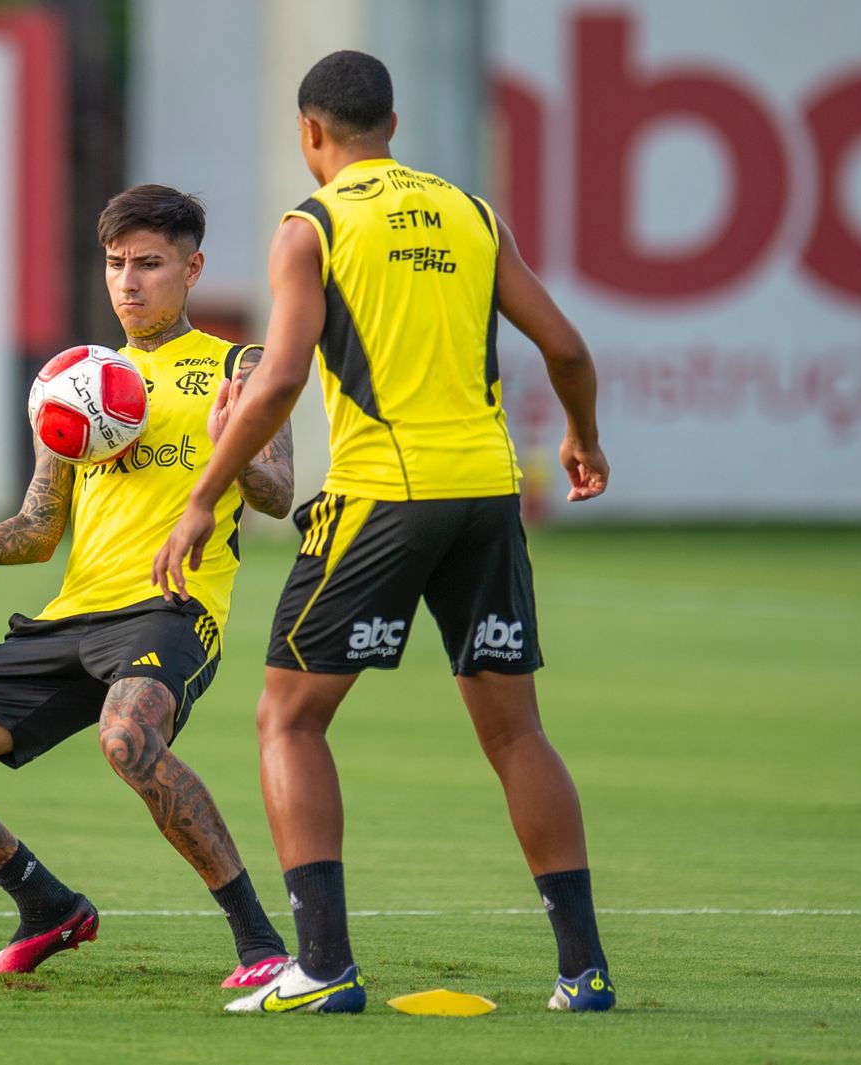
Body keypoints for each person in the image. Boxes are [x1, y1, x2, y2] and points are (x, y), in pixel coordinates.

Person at [153, 51, 614, 1014]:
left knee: (289, 717)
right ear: (393, 127)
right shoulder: (473, 214)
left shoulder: (311, 226)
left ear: (309, 133)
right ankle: (584, 971)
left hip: (380, 499)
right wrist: (581, 436)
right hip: (488, 495)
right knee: (518, 732)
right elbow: (567, 346)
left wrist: (203, 495)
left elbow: (277, 380)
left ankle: (322, 965)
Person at [0, 184, 294, 988]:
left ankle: (261, 943)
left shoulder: (241, 366)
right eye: (115, 264)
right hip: (71, 621)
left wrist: (233, 441)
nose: (129, 282)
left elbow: (277, 495)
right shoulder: (80, 381)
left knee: (127, 739)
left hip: (171, 611)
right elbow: (36, 531)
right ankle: (48, 905)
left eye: (150, 264)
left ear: (192, 268)